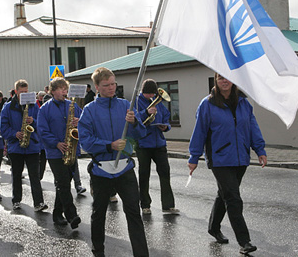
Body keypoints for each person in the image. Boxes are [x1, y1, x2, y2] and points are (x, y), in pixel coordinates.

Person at [188, 73, 267, 255]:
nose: (224, 81)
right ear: (215, 80)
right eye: (220, 78)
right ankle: (244, 241)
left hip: (240, 158)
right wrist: (194, 157)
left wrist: (260, 149)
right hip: (219, 158)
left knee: (224, 194)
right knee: (233, 198)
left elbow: (252, 126)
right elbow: (199, 131)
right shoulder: (207, 104)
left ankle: (214, 227)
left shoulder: (243, 103)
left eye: (228, 78)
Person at [78, 67, 149, 257]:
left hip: (125, 168)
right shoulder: (89, 110)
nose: (111, 88)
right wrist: (109, 145)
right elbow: (86, 142)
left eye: (113, 84)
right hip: (101, 170)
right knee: (98, 213)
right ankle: (98, 251)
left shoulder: (126, 105)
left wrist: (134, 122)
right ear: (97, 87)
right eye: (106, 85)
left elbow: (141, 134)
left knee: (134, 213)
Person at [37, 77, 82, 228]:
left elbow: (85, 121)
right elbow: (42, 131)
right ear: (53, 91)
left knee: (63, 184)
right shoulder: (45, 109)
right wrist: (56, 143)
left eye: (66, 89)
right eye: (62, 89)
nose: (65, 91)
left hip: (71, 150)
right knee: (63, 183)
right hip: (55, 152)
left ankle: (57, 213)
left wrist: (78, 122)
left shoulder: (72, 105)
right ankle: (72, 214)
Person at [0, 79, 47, 212]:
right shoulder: (8, 107)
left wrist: (34, 121)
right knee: (16, 174)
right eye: (22, 92)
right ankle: (16, 200)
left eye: (27, 92)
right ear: (16, 92)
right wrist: (14, 134)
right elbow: (3, 128)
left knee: (35, 175)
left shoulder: (34, 106)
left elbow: (41, 125)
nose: (25, 94)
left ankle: (39, 202)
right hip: (15, 146)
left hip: (32, 145)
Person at [135, 79, 179, 215]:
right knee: (144, 175)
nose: (151, 97)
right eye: (148, 94)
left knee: (165, 173)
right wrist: (146, 112)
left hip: (159, 143)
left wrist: (166, 126)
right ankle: (145, 205)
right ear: (143, 92)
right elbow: (135, 119)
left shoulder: (158, 101)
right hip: (143, 144)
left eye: (153, 94)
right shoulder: (136, 102)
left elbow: (166, 116)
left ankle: (168, 205)